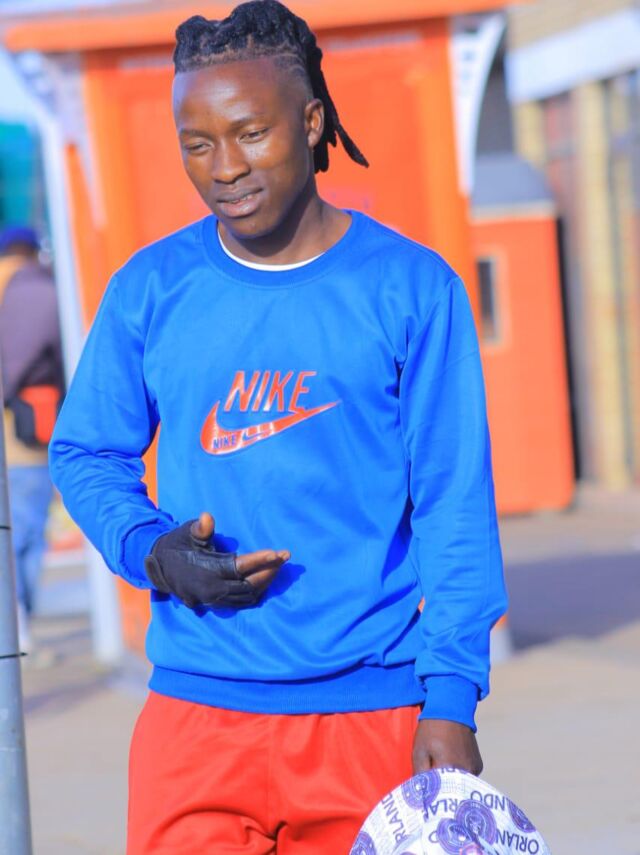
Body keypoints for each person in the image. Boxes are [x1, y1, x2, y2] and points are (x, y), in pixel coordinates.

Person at [49, 2, 507, 852]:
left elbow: (454, 502)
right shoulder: (151, 287)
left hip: (371, 715)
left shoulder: (412, 287)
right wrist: (152, 549)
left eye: (251, 133)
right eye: (197, 143)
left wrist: (451, 694)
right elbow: (87, 451)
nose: (225, 166)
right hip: (195, 719)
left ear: (312, 121)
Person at [0, 225, 64, 653]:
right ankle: (16, 632)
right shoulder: (37, 293)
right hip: (24, 438)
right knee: (25, 534)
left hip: (17, 432)